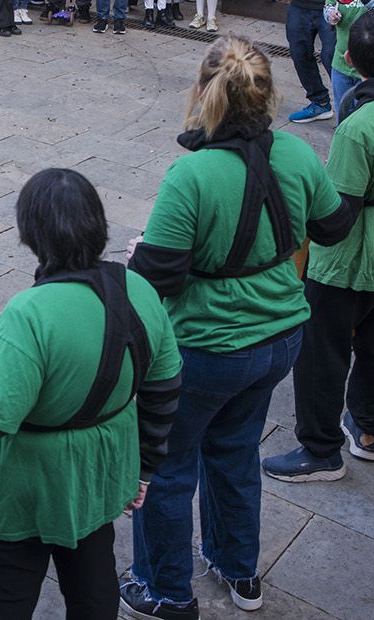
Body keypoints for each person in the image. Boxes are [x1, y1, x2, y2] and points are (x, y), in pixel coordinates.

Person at [125, 36, 352, 616]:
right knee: (235, 452)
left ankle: (165, 590)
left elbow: (158, 282)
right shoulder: (298, 154)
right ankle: (239, 571)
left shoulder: (192, 175)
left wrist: (140, 256)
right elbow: (332, 228)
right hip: (279, 340)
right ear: (269, 96)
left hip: (205, 350)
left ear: (204, 93)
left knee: (169, 470)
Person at [0, 168, 181, 620]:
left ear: (30, 235)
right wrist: (144, 469)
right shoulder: (140, 289)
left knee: (5, 603)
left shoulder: (28, 313)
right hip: (100, 473)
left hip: (24, 488)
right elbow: (165, 388)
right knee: (94, 587)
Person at [263, 10, 374, 481]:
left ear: (347, 58)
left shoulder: (360, 125)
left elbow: (338, 214)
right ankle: (367, 430)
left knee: (322, 353)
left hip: (346, 259)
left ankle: (320, 450)